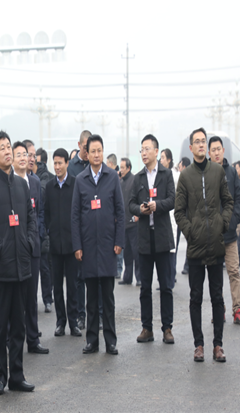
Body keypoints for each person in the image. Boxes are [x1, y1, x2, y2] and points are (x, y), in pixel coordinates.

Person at [0, 131, 36, 395]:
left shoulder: (22, 185)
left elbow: (31, 219)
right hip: (0, 269)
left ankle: (17, 376)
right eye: (2, 148)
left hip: (21, 267)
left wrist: (29, 242)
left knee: (19, 327)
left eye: (8, 146)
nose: (7, 151)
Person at [175, 127, 233, 363]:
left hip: (216, 245)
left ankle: (218, 345)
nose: (201, 145)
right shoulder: (185, 176)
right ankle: (198, 345)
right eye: (197, 142)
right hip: (196, 248)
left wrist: (222, 223)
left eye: (203, 141)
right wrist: (191, 232)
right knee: (196, 298)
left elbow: (228, 201)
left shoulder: (218, 171)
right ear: (191, 147)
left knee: (217, 297)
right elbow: (179, 212)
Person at [71, 134, 124, 356]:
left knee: (108, 299)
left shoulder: (112, 178)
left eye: (99, 151)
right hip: (88, 248)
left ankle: (110, 341)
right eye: (92, 151)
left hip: (108, 246)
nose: (96, 154)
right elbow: (75, 216)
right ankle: (92, 340)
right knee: (91, 298)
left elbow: (120, 211)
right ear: (86, 152)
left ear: (103, 152)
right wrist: (77, 246)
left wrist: (119, 241)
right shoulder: (80, 180)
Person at [129, 134, 175, 345]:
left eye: (147, 149)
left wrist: (158, 205)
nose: (144, 153)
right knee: (145, 288)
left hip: (163, 237)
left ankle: (167, 328)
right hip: (145, 239)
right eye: (142, 150)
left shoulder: (166, 174)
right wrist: (140, 209)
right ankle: (147, 328)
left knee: (165, 287)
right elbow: (130, 204)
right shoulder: (138, 177)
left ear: (156, 151)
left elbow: (173, 200)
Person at [208, 137, 240, 324]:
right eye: (213, 150)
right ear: (209, 153)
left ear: (223, 151)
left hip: (230, 235)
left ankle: (238, 310)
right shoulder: (205, 172)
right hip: (212, 236)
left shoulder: (231, 172)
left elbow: (238, 198)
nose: (216, 152)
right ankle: (219, 310)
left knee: (234, 272)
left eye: (219, 149)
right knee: (215, 276)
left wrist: (233, 221)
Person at [14, 141, 49, 355]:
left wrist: (39, 234)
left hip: (33, 246)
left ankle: (33, 339)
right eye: (19, 154)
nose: (24, 158)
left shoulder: (35, 182)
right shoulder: (9, 182)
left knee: (31, 296)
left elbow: (40, 212)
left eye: (26, 154)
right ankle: (14, 339)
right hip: (15, 248)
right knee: (16, 298)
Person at [44, 148, 81, 337]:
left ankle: (73, 322)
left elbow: (79, 213)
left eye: (60, 163)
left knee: (72, 286)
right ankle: (61, 322)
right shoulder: (49, 187)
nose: (57, 167)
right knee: (57, 286)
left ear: (67, 163)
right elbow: (46, 213)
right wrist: (49, 231)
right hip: (55, 245)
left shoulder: (75, 185)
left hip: (72, 245)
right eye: (55, 163)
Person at [67, 130, 92, 330]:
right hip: (78, 228)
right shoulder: (72, 167)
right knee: (79, 278)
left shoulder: (95, 165)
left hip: (93, 228)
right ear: (79, 145)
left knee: (96, 276)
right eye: (85, 147)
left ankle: (96, 314)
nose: (87, 151)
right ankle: (80, 315)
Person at [34, 147, 54, 312]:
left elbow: (41, 196)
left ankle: (48, 299)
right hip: (30, 232)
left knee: (44, 267)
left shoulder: (44, 177)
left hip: (43, 231)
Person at [158, 148, 179, 289]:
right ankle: (165, 280)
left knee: (171, 250)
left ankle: (170, 281)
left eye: (163, 158)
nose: (161, 160)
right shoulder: (161, 175)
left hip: (172, 216)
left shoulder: (174, 175)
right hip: (163, 216)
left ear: (169, 160)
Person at [118, 157, 140, 286]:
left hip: (133, 222)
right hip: (123, 223)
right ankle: (127, 277)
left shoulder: (134, 180)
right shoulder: (120, 182)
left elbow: (139, 198)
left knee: (136, 252)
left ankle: (139, 277)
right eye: (120, 167)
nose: (121, 170)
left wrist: (138, 214)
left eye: (123, 167)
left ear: (129, 168)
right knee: (126, 253)